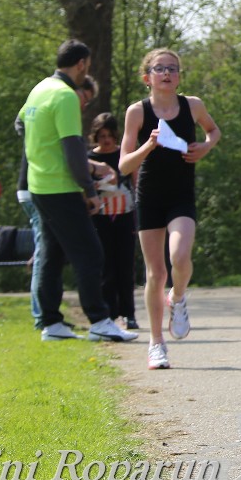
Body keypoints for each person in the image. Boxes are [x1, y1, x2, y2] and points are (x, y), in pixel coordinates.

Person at [16, 39, 138, 343]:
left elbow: (20, 124)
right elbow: (72, 147)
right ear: (81, 63)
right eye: (88, 65)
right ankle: (99, 320)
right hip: (60, 186)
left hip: (38, 184)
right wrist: (89, 189)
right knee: (90, 253)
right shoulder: (66, 95)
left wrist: (41, 151)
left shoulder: (40, 89)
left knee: (52, 254)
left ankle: (51, 324)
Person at [119, 48, 221, 369]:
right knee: (155, 273)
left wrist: (205, 147)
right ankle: (156, 343)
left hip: (181, 195)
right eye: (159, 68)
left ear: (178, 76)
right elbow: (124, 165)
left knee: (179, 257)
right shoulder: (137, 112)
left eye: (172, 68)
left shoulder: (193, 106)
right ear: (146, 77)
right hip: (149, 196)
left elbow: (214, 131)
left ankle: (177, 297)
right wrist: (148, 146)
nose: (166, 73)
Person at [89, 113, 139, 329]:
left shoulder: (124, 155)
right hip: (99, 218)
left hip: (125, 215)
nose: (106, 140)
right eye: (102, 136)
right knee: (106, 267)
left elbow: (136, 183)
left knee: (125, 266)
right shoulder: (90, 159)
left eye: (110, 135)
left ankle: (129, 314)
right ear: (95, 136)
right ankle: (109, 313)